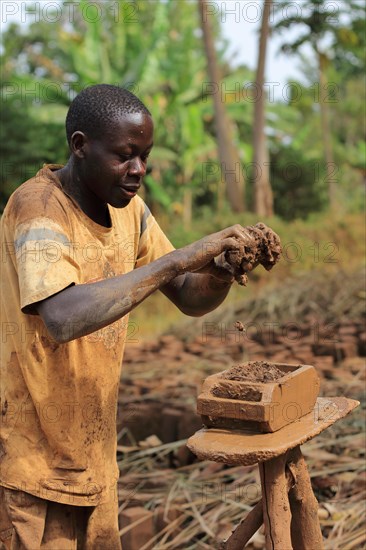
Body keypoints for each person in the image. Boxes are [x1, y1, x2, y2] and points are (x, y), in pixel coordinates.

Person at [0, 84, 268, 549]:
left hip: (94, 458)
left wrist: (220, 273)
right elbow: (63, 317)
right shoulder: (39, 209)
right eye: (125, 156)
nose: (138, 170)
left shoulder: (132, 213)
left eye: (145, 156)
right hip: (30, 462)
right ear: (80, 146)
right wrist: (180, 258)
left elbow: (188, 296)